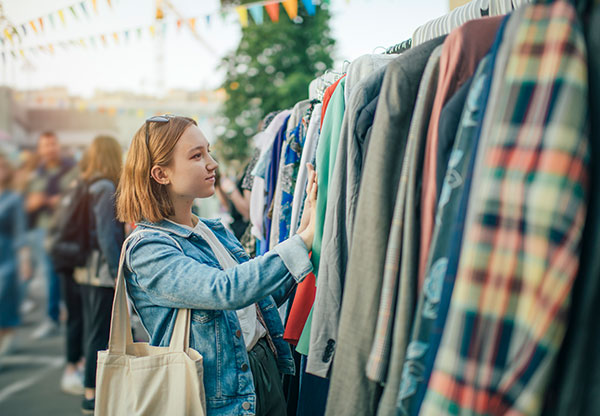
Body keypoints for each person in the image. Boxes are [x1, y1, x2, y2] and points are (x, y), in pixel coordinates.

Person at [116, 115, 317, 416]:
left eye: (208, 151)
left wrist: (306, 236)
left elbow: (259, 302)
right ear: (161, 174)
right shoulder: (148, 248)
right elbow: (226, 290)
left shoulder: (212, 229)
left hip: (262, 371)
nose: (212, 163)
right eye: (197, 156)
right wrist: (301, 242)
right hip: (217, 397)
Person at [74, 135, 125, 414]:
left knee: (92, 329)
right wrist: (116, 269)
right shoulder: (105, 187)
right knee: (99, 331)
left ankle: (91, 389)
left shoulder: (89, 183)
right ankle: (92, 394)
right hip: (100, 269)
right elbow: (107, 234)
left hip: (87, 267)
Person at [25, 132, 77, 339]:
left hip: (66, 230)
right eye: (45, 145)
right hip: (42, 229)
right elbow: (27, 203)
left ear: (58, 145)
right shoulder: (36, 174)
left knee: (63, 274)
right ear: (40, 149)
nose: (49, 149)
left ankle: (59, 315)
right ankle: (53, 316)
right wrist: (35, 202)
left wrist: (48, 200)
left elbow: (74, 198)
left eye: (53, 144)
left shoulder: (71, 169)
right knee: (49, 274)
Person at [0, 154, 31, 358]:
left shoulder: (14, 198)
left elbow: (21, 232)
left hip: (7, 256)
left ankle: (7, 335)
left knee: (4, 298)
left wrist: (24, 261)